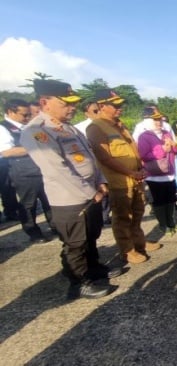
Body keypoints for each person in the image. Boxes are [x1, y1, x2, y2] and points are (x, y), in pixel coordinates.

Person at [21, 79, 119, 299]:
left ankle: (94, 270)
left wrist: (101, 181)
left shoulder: (68, 127)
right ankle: (79, 282)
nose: (72, 107)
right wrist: (90, 192)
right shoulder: (37, 131)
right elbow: (57, 170)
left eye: (73, 103)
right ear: (45, 102)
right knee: (75, 242)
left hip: (92, 192)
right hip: (70, 199)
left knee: (91, 235)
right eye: (66, 103)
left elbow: (90, 158)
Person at [86, 89, 160, 264]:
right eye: (115, 105)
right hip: (119, 181)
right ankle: (127, 250)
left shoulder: (119, 124)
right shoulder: (95, 127)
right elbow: (105, 157)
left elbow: (132, 149)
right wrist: (131, 173)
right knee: (122, 217)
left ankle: (139, 242)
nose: (120, 107)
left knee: (137, 213)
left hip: (135, 178)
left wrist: (140, 168)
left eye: (121, 104)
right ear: (102, 106)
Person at [0, 98, 55, 243]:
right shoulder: (3, 128)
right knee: (28, 204)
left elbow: (43, 142)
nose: (28, 118)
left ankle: (55, 226)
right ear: (11, 112)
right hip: (23, 172)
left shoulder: (31, 126)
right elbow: (6, 152)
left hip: (40, 169)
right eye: (24, 115)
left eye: (29, 114)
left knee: (49, 200)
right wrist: (33, 148)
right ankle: (33, 232)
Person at [137, 107, 177, 236]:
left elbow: (175, 152)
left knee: (170, 200)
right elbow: (143, 156)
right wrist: (162, 149)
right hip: (155, 175)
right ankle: (163, 225)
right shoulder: (144, 137)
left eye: (160, 120)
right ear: (148, 121)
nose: (158, 122)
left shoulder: (166, 133)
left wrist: (173, 146)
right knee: (159, 201)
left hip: (169, 173)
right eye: (155, 120)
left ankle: (171, 223)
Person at [74, 99, 111, 226]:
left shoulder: (108, 125)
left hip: (107, 165)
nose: (98, 112)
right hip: (93, 165)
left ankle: (105, 215)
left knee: (107, 192)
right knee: (98, 193)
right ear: (86, 113)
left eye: (99, 109)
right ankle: (100, 217)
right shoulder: (79, 128)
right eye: (95, 111)